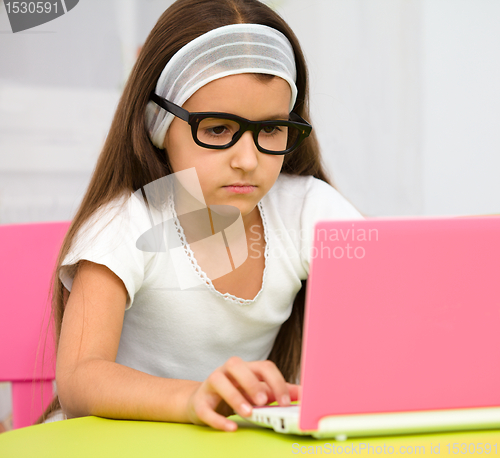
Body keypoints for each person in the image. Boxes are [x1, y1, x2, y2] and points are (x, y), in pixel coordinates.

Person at [37, 0, 362, 432]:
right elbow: (78, 379)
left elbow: (398, 287)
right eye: (217, 129)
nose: (247, 159)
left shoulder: (305, 210)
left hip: (228, 442)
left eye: (270, 129)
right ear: (156, 123)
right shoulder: (126, 224)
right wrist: (191, 398)